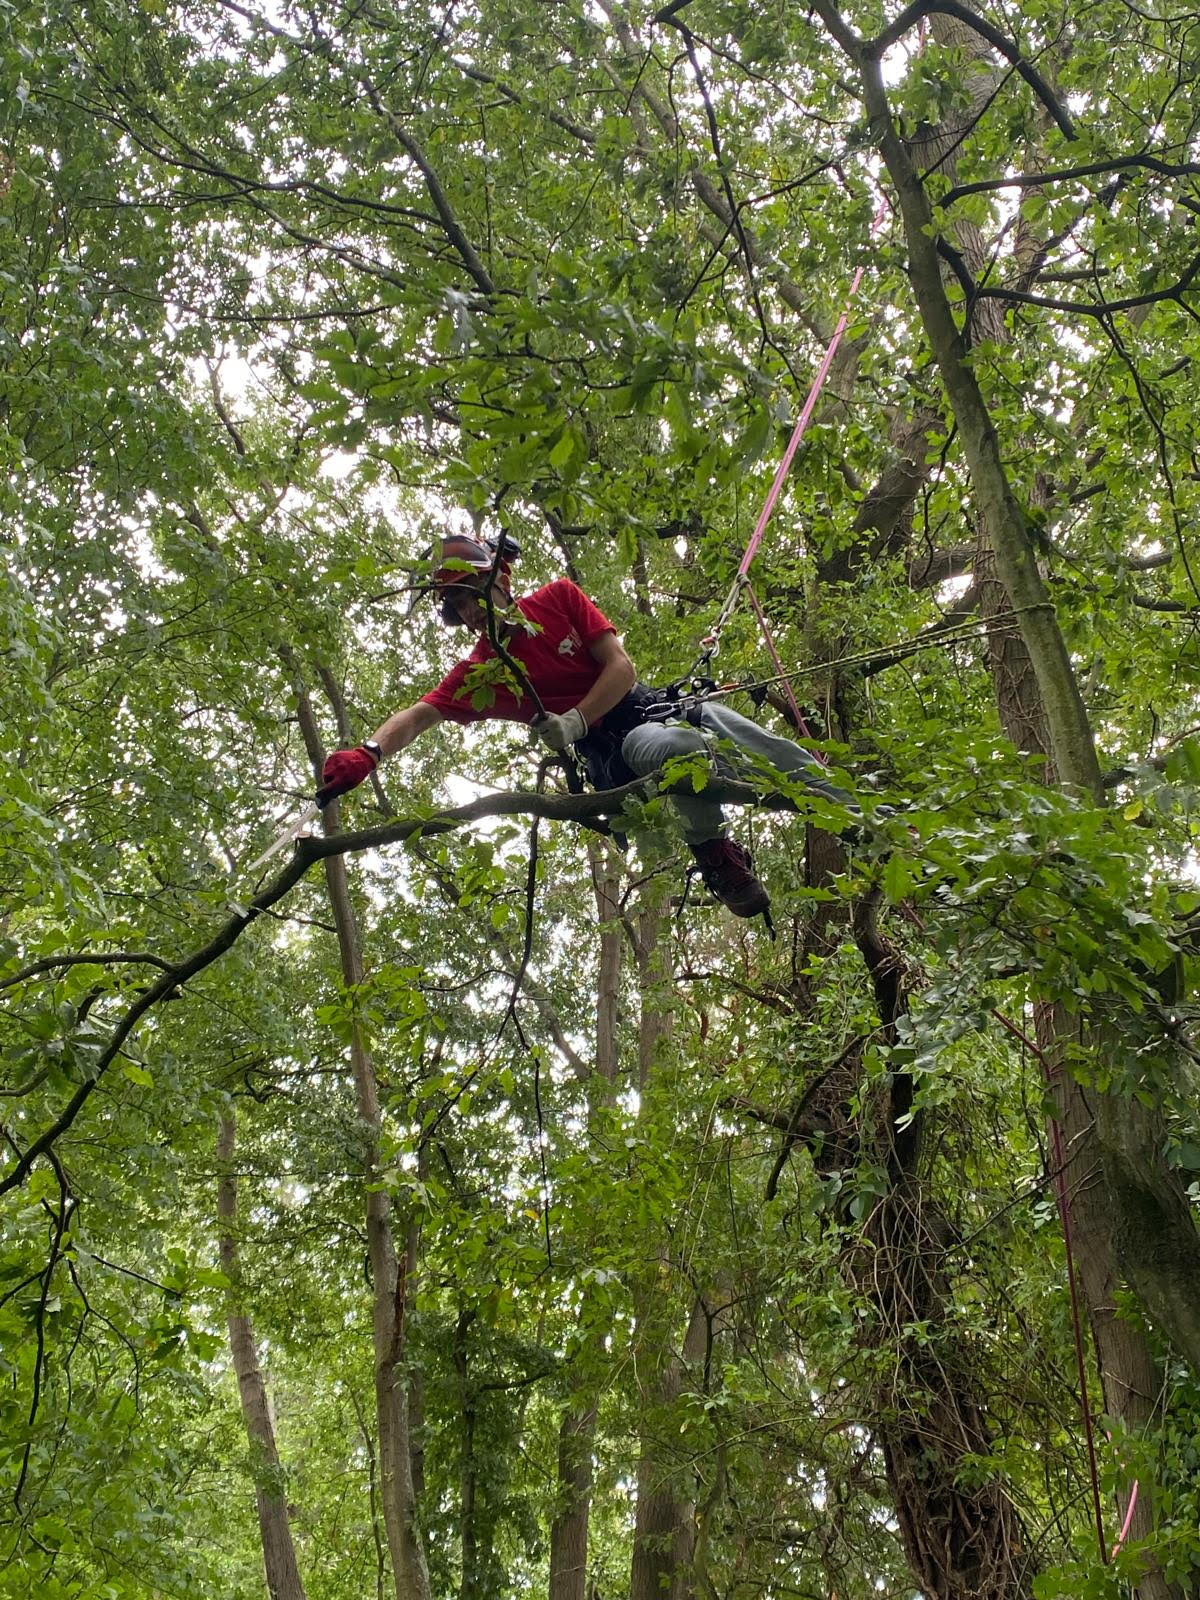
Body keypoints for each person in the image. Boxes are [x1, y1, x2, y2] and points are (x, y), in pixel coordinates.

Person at [316, 535, 856, 919]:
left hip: (646, 707)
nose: (468, 611)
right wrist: (369, 752)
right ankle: (712, 848)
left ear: (498, 580)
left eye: (469, 594)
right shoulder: (480, 673)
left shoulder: (558, 599)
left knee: (770, 749)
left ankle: (869, 817)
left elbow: (622, 668)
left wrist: (574, 717)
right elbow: (420, 715)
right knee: (682, 749)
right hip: (617, 750)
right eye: (456, 605)